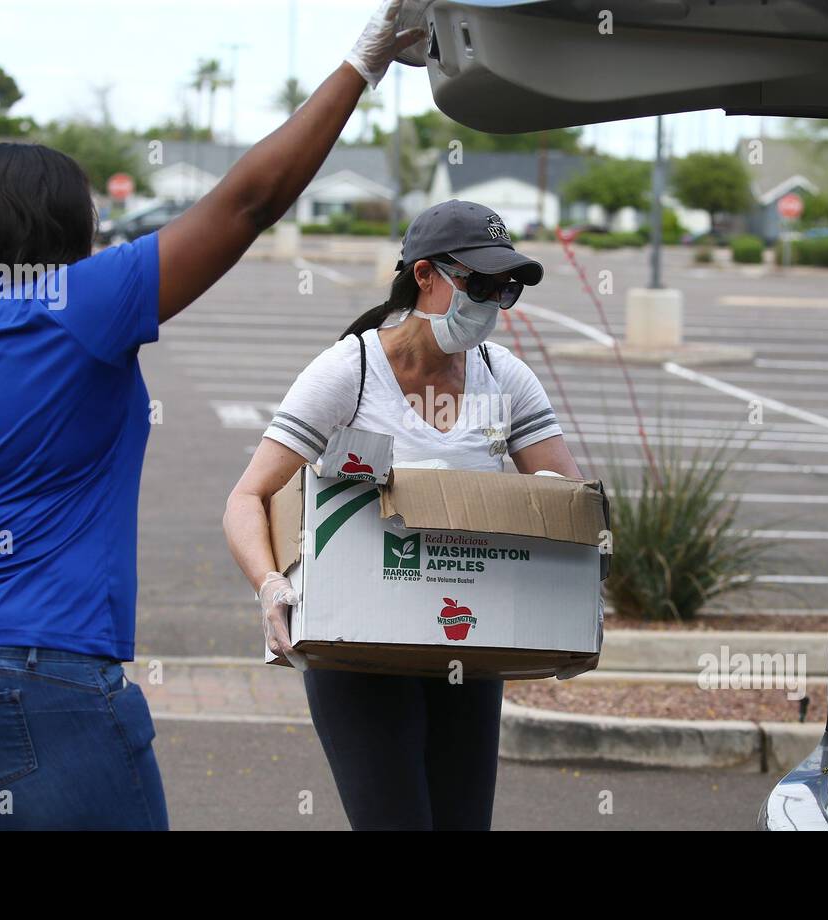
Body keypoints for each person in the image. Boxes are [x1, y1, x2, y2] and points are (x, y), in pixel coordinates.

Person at [0, 0, 427, 831]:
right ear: (64, 233)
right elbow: (247, 204)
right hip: (37, 684)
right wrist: (366, 61)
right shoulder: (78, 305)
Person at [222, 200, 596, 831]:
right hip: (357, 648)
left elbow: (567, 502)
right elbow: (247, 498)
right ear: (425, 275)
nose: (493, 301)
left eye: (505, 289)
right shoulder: (352, 371)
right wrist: (270, 586)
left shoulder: (504, 379)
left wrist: (579, 579)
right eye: (479, 284)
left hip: (467, 642)